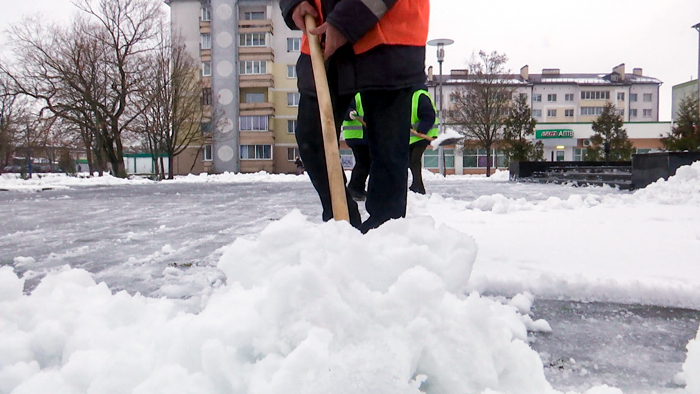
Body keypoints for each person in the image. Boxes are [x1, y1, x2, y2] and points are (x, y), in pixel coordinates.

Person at [280, 0, 429, 233]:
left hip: (388, 37)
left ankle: (383, 238)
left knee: (388, 149)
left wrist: (347, 21)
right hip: (322, 39)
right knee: (311, 136)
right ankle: (343, 226)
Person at [408, 86, 438, 194]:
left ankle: (418, 187)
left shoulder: (420, 95)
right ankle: (417, 185)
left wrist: (422, 129)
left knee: (414, 160)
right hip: (414, 136)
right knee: (409, 160)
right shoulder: (409, 96)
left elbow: (429, 115)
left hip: (424, 133)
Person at [341, 93, 370, 201]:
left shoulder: (366, 93)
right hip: (356, 135)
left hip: (365, 135)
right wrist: (350, 113)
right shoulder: (354, 94)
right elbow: (345, 108)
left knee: (366, 162)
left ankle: (358, 187)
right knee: (363, 161)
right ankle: (354, 188)